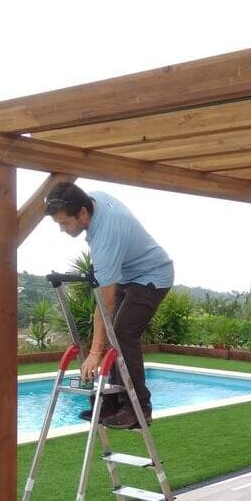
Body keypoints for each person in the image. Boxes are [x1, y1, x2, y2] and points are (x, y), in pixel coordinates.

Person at [45, 182, 173, 429]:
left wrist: (95, 353)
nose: (61, 229)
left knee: (123, 333)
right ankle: (111, 403)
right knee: (114, 331)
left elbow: (105, 304)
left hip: (153, 276)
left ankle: (138, 408)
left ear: (82, 213)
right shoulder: (91, 200)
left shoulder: (106, 237)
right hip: (128, 274)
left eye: (64, 223)